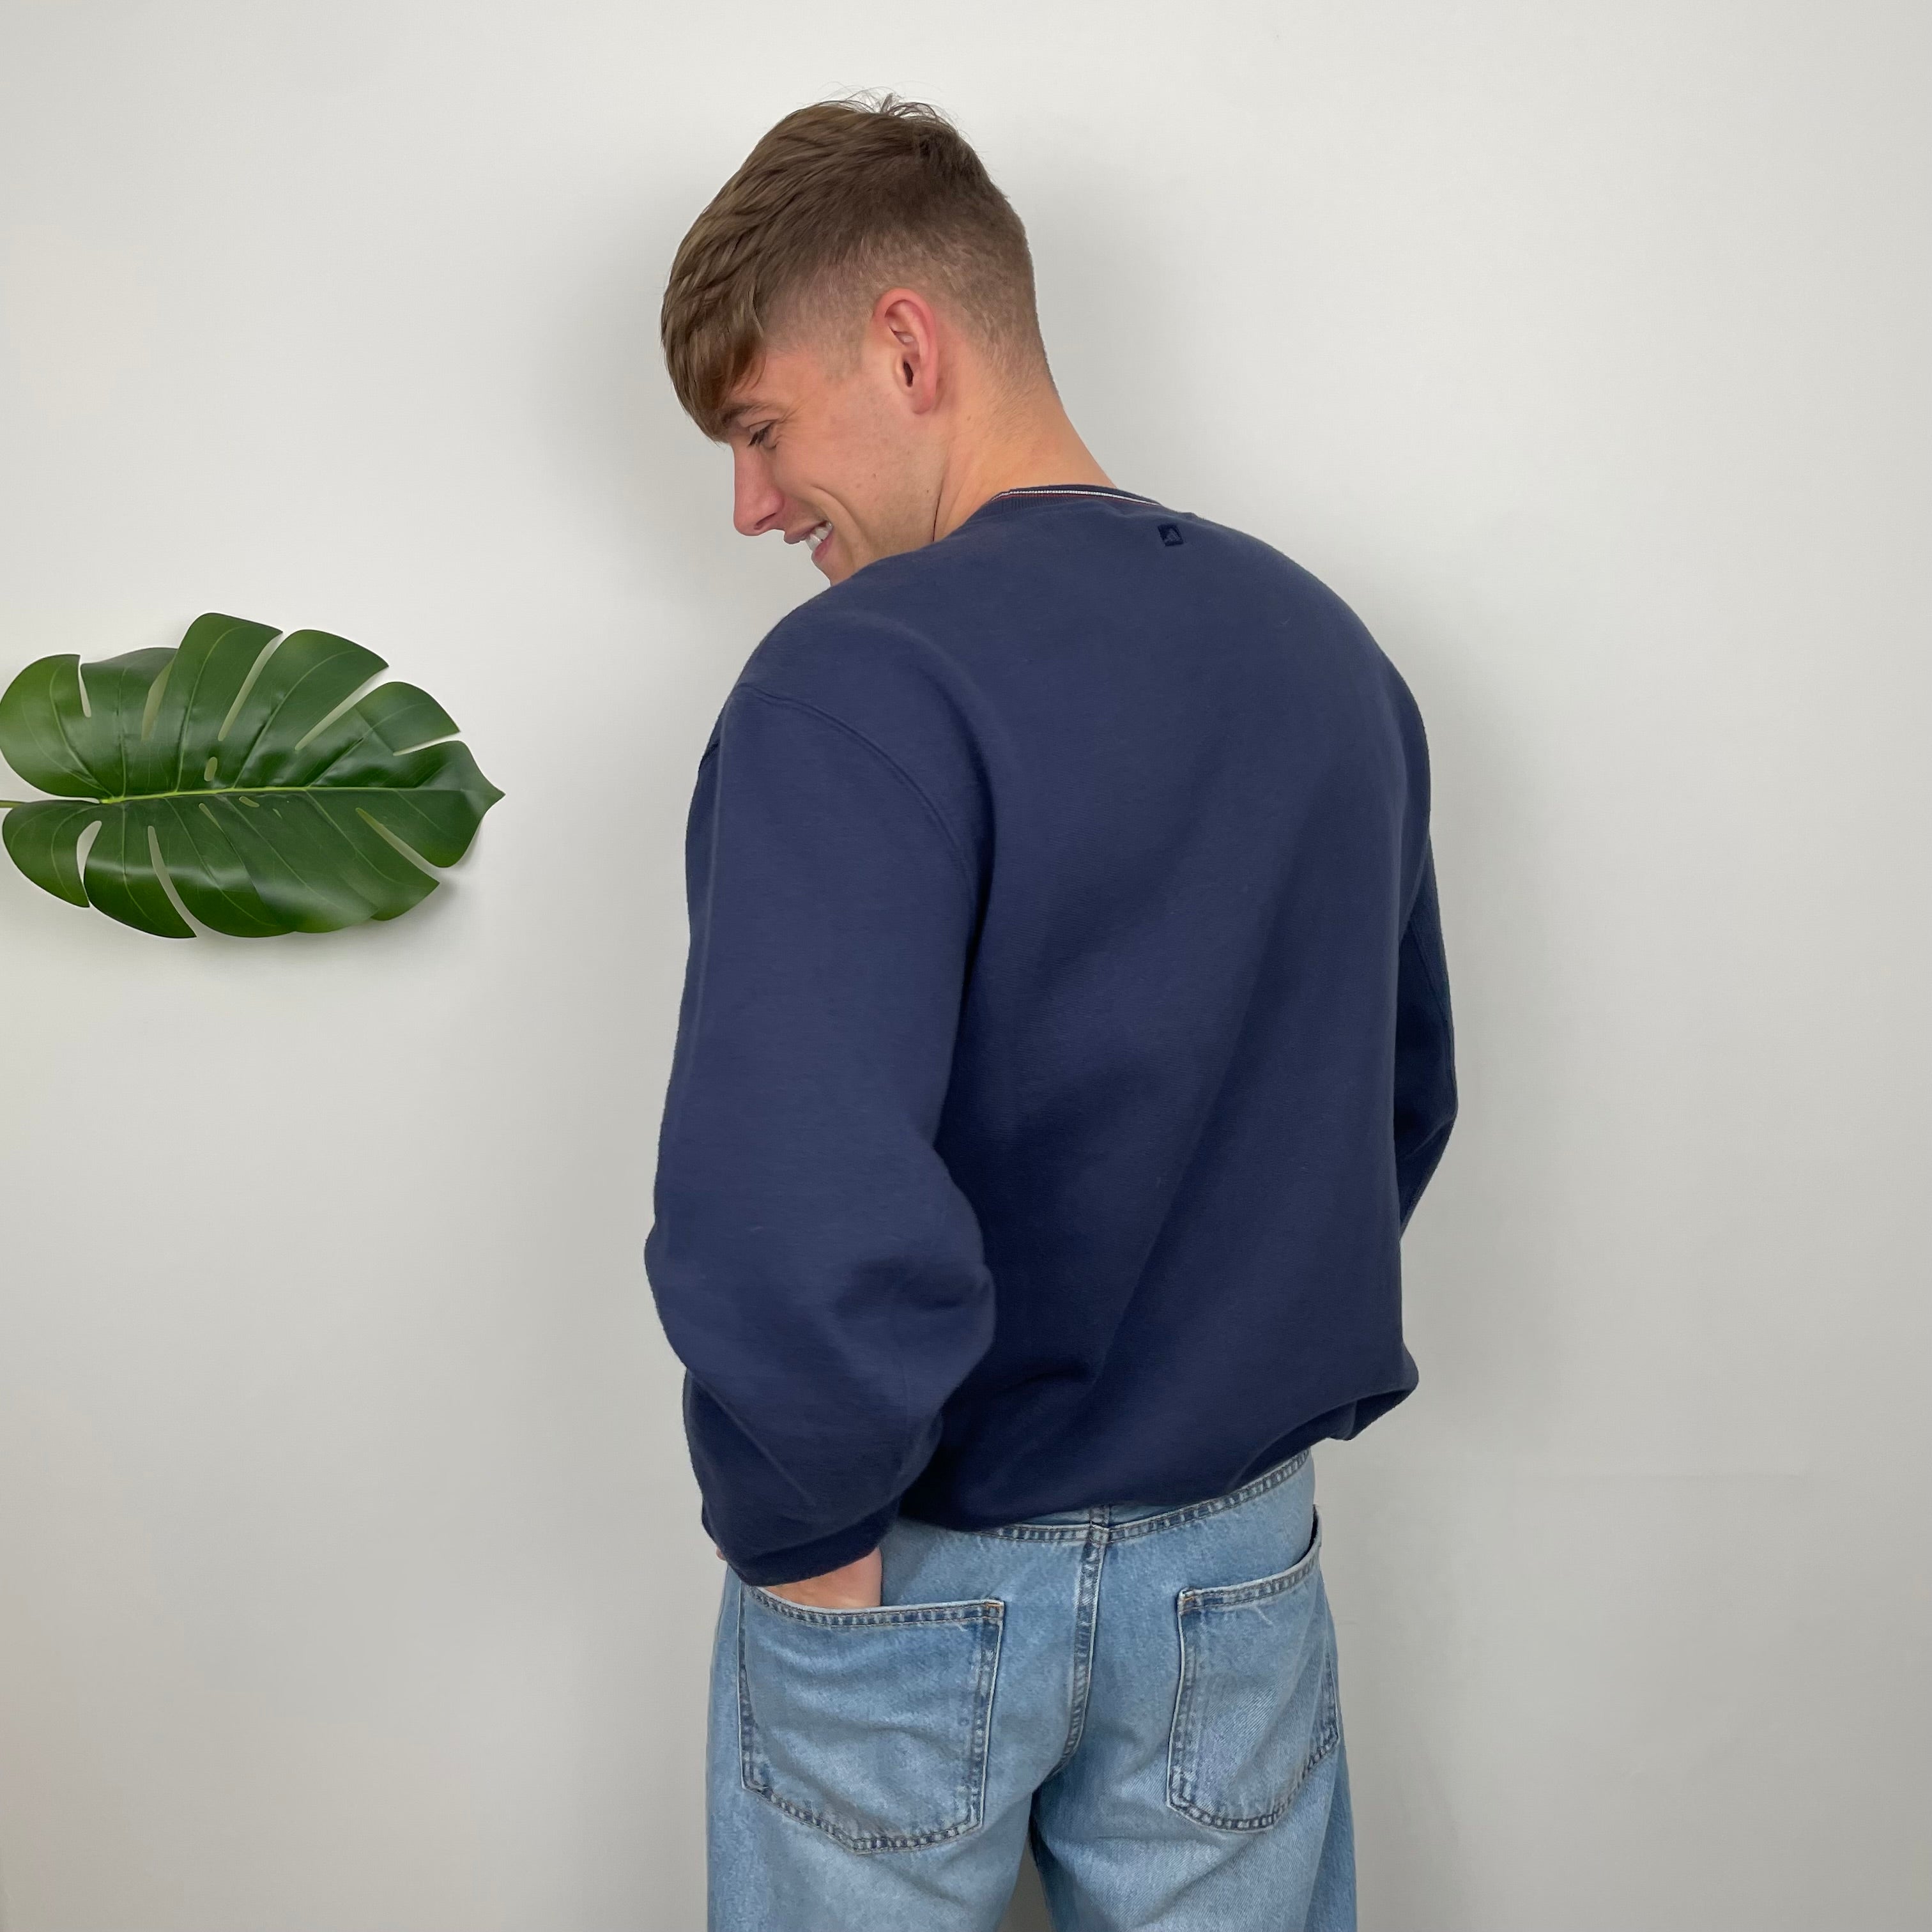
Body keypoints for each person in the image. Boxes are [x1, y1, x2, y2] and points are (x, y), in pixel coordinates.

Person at [645, 91, 1456, 1932]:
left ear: (907, 345)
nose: (754, 506)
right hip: (1237, 1570)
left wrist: (815, 1548)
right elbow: (1389, 1107)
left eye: (763, 430)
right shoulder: (1326, 656)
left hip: (908, 1571)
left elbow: (789, 1189)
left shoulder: (856, 686)